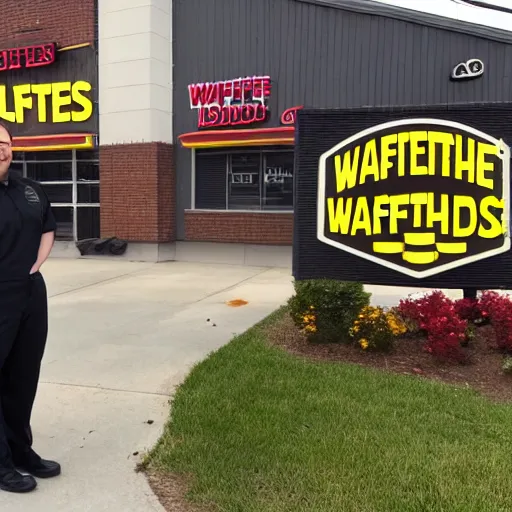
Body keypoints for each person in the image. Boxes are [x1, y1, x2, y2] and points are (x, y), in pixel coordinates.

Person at [0, 121, 60, 493]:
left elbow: (48, 226)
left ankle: (21, 452)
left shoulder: (30, 189)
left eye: (3, 142)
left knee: (23, 376)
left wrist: (36, 265)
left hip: (30, 292)